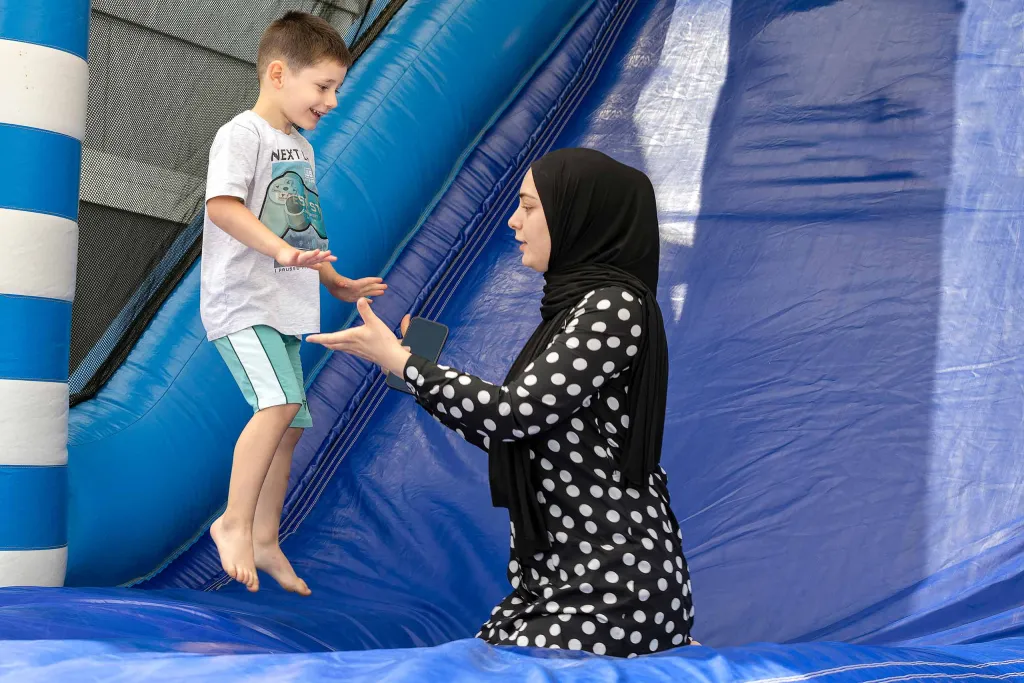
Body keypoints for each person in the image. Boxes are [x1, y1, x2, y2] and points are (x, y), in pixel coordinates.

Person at [308, 148, 695, 656]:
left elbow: (514, 415)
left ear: (578, 216)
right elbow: (512, 429)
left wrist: (408, 366)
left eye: (530, 207)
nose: (514, 221)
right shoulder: (573, 311)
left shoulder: (615, 306)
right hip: (554, 586)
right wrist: (405, 362)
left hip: (613, 590)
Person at [202, 11, 387, 595]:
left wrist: (336, 283)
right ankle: (232, 522)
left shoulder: (298, 148)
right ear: (278, 74)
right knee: (278, 403)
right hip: (243, 304)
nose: (332, 101)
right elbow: (223, 207)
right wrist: (279, 250)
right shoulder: (243, 134)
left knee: (291, 426)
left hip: (283, 308)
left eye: (337, 88)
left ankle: (264, 536)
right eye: (324, 86)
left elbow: (304, 230)